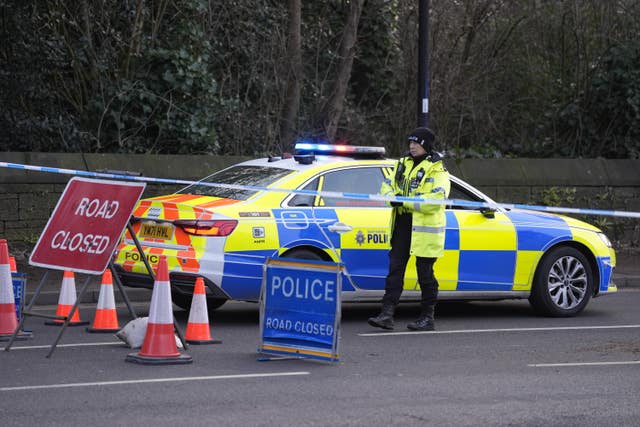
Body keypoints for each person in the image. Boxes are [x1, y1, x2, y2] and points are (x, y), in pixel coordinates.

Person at [367, 127, 450, 331]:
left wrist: (404, 202)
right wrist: (392, 198)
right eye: (410, 142)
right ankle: (387, 314)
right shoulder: (402, 163)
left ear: (426, 145)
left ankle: (427, 317)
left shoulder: (438, 169)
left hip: (424, 228)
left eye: (416, 143)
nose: (412, 146)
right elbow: (386, 186)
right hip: (402, 224)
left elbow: (436, 199)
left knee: (425, 274)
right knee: (395, 270)